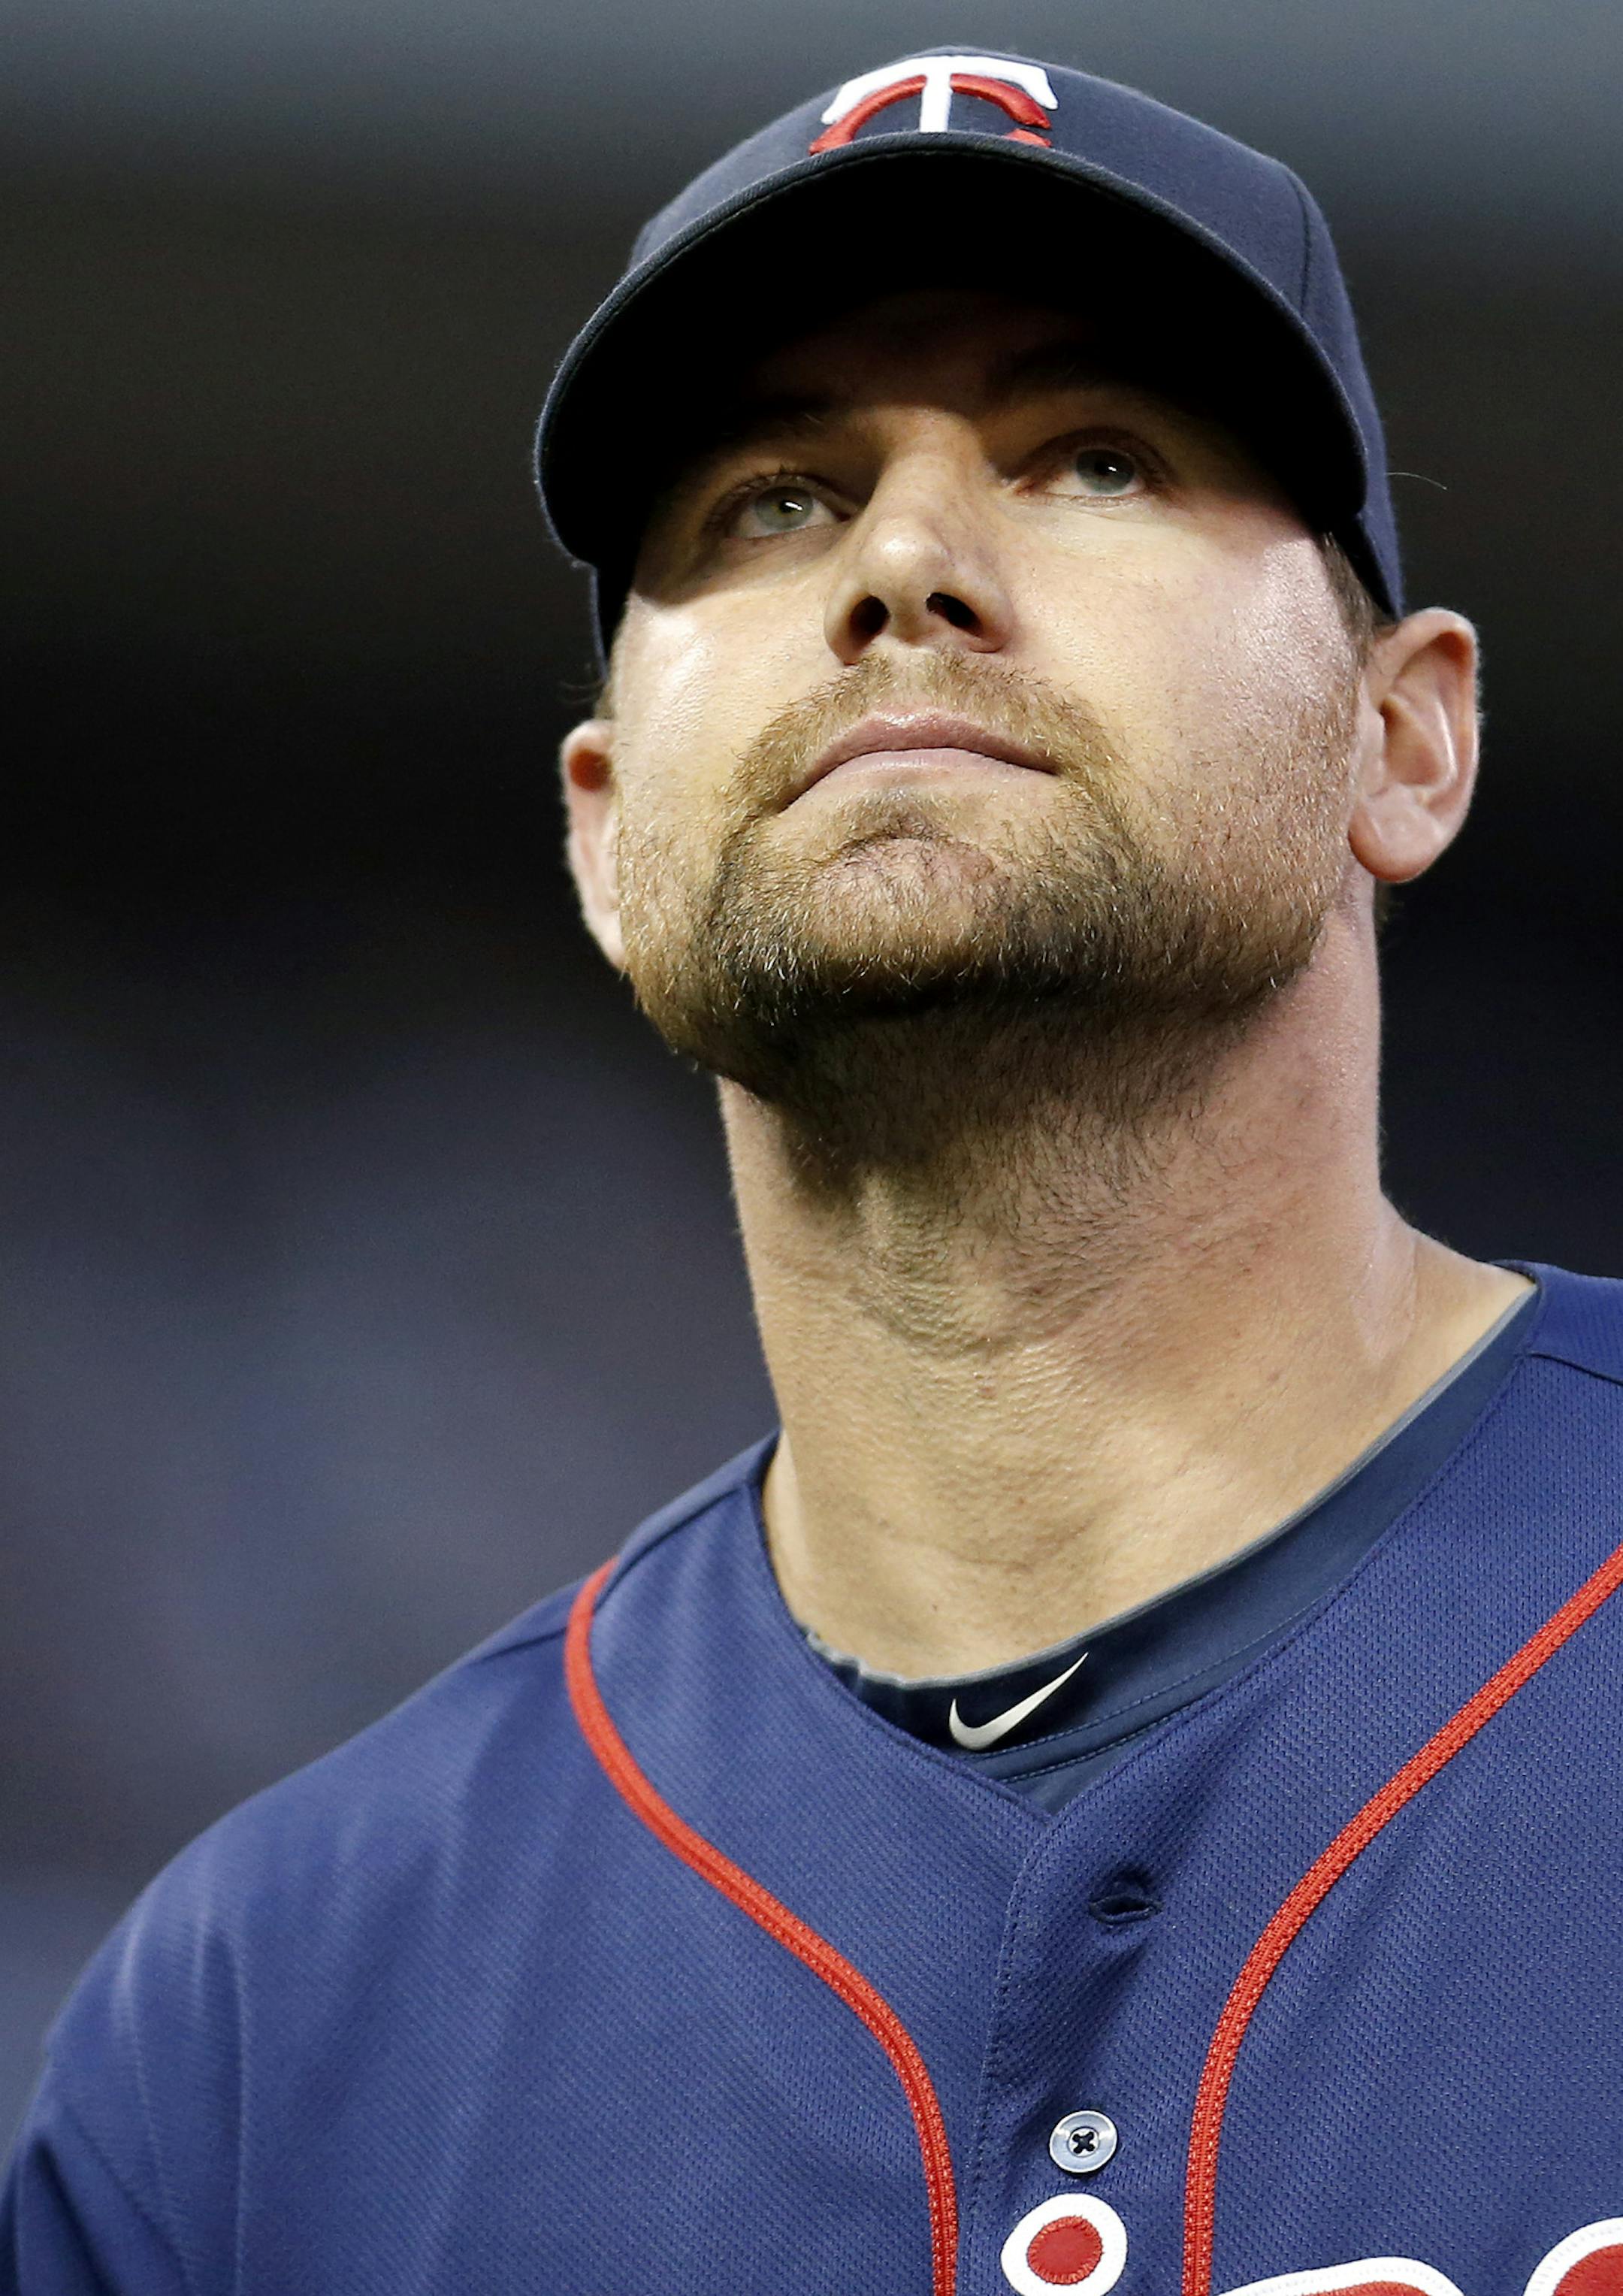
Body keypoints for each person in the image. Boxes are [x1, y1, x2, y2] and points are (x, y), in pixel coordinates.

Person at [5, 47, 1623, 2296]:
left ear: (1405, 732)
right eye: (771, 499)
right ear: (602, 827)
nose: (906, 570)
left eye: (1095, 457)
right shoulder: (264, 2039)